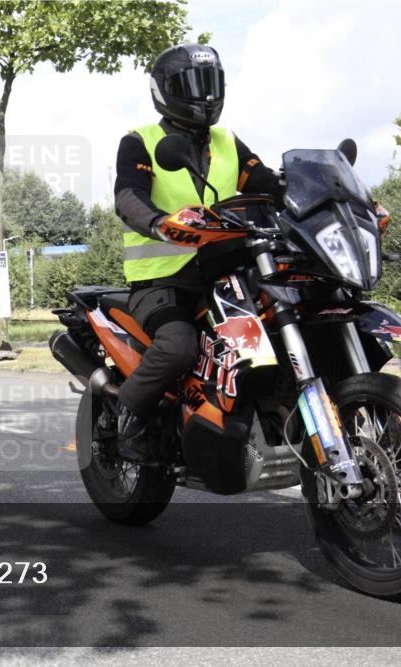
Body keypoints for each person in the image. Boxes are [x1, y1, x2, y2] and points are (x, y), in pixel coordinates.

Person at [113, 44, 283, 464]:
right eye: (192, 85)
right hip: (164, 280)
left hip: (228, 272)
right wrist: (157, 223)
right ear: (165, 91)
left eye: (210, 83)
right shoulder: (142, 142)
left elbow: (264, 182)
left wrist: (319, 193)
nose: (204, 95)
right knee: (177, 347)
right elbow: (128, 197)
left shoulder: (227, 141)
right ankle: (126, 418)